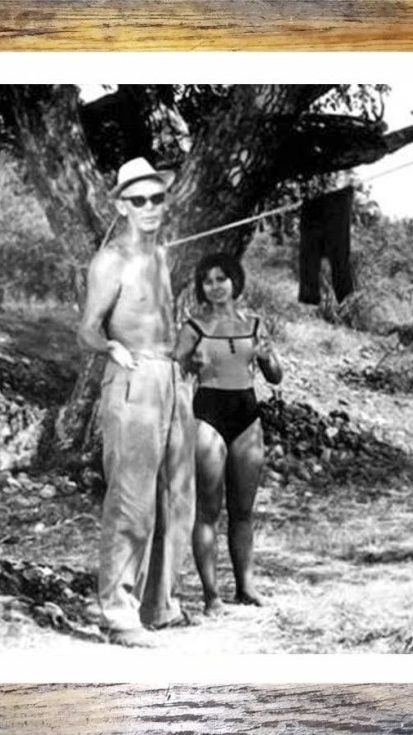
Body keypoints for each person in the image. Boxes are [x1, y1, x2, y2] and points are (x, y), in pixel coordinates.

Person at [77, 157, 197, 648]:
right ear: (122, 206)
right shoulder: (110, 261)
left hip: (171, 377)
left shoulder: (164, 256)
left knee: (177, 496)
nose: (149, 208)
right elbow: (86, 327)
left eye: (157, 198)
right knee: (131, 500)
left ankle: (161, 604)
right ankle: (119, 615)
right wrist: (108, 346)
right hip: (133, 379)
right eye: (138, 200)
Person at [173, 252, 282, 617]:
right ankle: (211, 596)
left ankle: (246, 588)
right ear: (201, 287)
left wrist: (267, 357)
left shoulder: (254, 324)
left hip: (247, 415)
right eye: (208, 280)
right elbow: (175, 371)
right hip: (208, 414)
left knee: (243, 511)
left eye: (223, 279)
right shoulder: (194, 325)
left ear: (236, 282)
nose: (216, 286)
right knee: (208, 509)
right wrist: (190, 362)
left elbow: (275, 375)